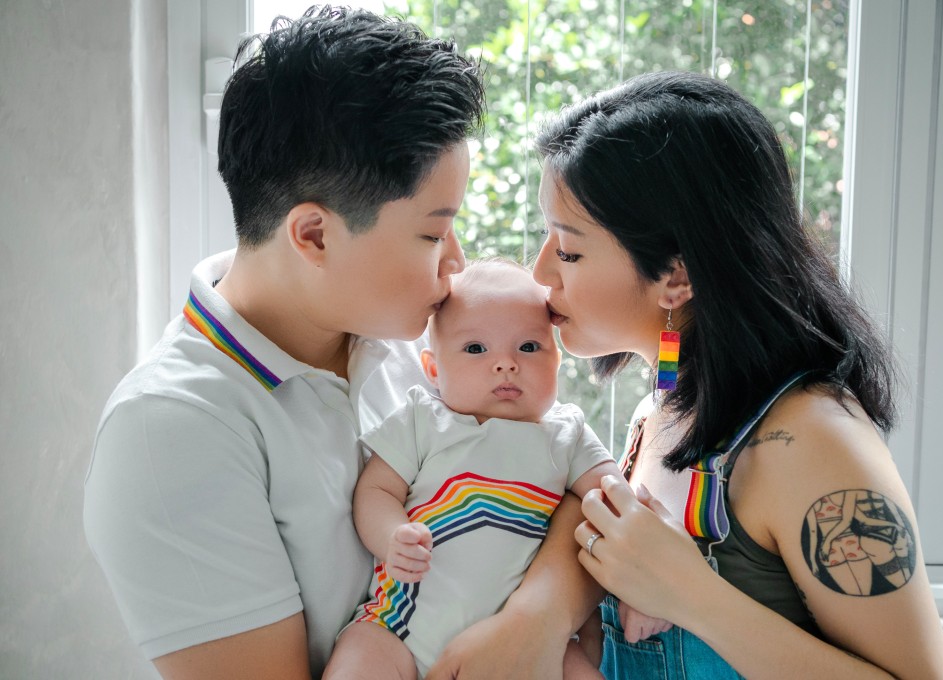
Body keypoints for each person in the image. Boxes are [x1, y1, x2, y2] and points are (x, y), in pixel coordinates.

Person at [83, 8, 597, 679]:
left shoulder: (414, 341)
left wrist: (538, 619)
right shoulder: (171, 432)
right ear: (314, 235)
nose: (456, 264)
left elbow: (569, 484)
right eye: (432, 233)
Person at [530, 71, 943, 678]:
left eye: (568, 250)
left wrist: (692, 594)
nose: (541, 272)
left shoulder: (812, 438)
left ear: (677, 276)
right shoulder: (658, 412)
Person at [326, 259, 617, 679]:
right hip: (399, 627)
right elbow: (376, 492)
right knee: (359, 657)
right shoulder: (422, 419)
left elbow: (615, 503)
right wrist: (391, 536)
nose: (506, 364)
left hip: (523, 645)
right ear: (433, 369)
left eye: (528, 347)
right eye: (477, 349)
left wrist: (636, 594)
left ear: (556, 360)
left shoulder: (566, 433)